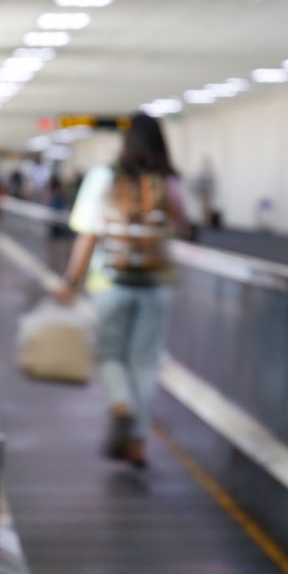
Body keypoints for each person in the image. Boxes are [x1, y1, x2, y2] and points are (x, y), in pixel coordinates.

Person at [55, 113, 189, 468]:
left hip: (110, 282)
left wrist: (71, 281)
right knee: (145, 361)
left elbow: (88, 234)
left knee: (110, 354)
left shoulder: (103, 177)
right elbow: (184, 226)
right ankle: (138, 439)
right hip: (156, 283)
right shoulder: (168, 181)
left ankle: (121, 403)